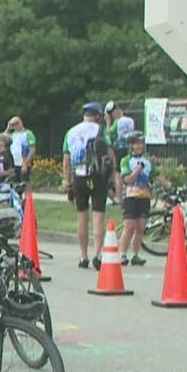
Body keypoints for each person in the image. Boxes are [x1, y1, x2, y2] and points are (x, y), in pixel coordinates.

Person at [63, 102, 120, 270]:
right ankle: (97, 253)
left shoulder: (71, 132)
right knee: (98, 216)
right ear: (98, 116)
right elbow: (111, 157)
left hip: (79, 176)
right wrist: (112, 179)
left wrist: (68, 183)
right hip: (98, 176)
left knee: (82, 216)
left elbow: (66, 162)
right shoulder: (101, 131)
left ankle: (83, 255)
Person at [118, 131, 151, 266]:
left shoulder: (148, 161)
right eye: (136, 144)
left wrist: (170, 185)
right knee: (129, 226)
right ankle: (122, 254)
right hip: (130, 196)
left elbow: (157, 175)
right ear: (130, 146)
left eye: (141, 144)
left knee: (141, 227)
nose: (139, 146)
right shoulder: (126, 161)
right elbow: (127, 179)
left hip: (144, 196)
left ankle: (135, 255)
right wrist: (138, 169)